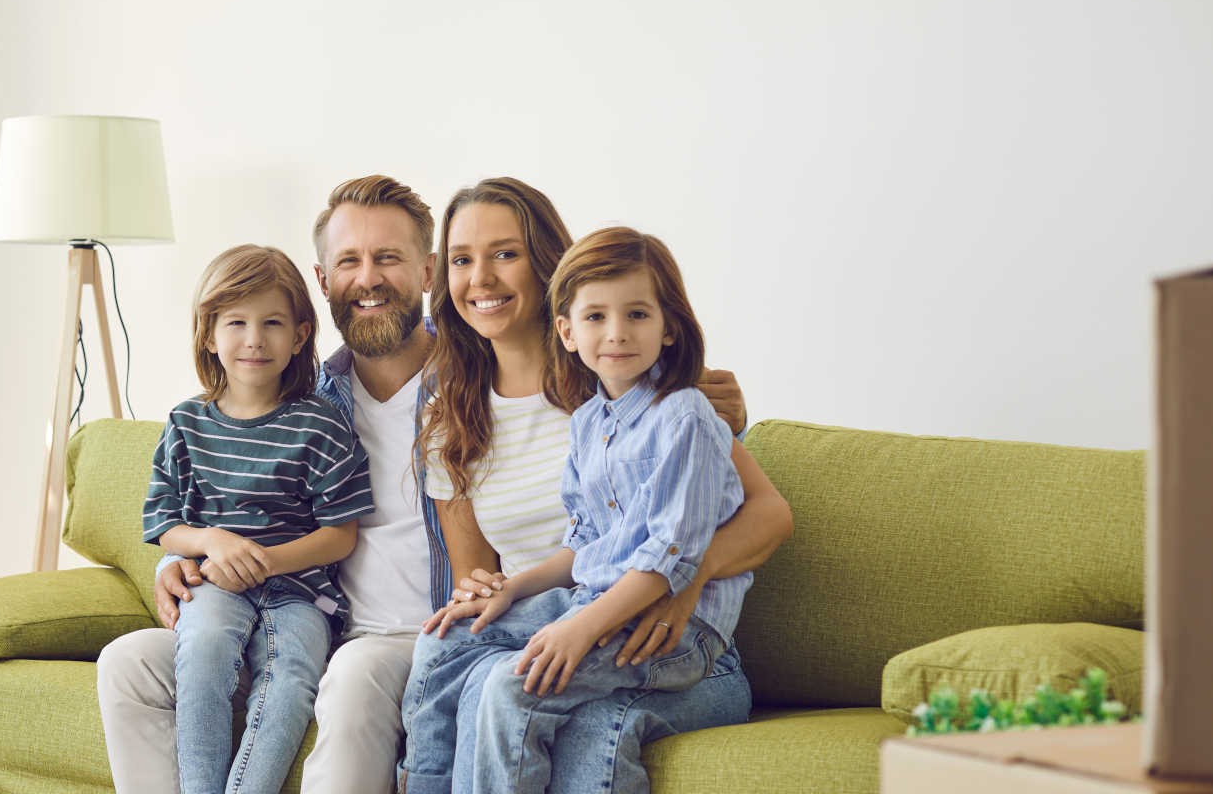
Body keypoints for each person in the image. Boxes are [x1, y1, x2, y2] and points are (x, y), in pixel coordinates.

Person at [99, 176, 786, 794]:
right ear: (324, 280)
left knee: (382, 677)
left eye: (389, 258)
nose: (370, 279)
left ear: (424, 271)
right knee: (129, 662)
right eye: (350, 261)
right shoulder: (331, 401)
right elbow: (248, 495)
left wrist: (677, 580)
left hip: (528, 631)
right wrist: (183, 555)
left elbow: (742, 508)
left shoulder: (613, 382)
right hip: (321, 618)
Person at [398, 179, 788, 794]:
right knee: (449, 649)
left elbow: (762, 515)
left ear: (547, 264)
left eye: (506, 253)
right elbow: (521, 561)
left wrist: (685, 581)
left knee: (519, 693)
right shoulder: (464, 416)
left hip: (654, 622)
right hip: (570, 604)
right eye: (461, 259)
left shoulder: (638, 385)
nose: (481, 278)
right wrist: (494, 590)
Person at [146, 244, 375, 794]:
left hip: (301, 594)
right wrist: (212, 541)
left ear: (299, 336)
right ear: (208, 334)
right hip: (214, 584)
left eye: (272, 323)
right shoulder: (186, 423)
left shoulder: (320, 424)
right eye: (237, 323)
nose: (254, 339)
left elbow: (340, 534)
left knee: (292, 678)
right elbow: (164, 523)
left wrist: (265, 561)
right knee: (202, 654)